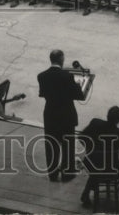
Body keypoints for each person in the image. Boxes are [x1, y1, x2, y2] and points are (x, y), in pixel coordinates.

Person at [79, 105, 119, 207]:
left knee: (97, 169)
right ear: (118, 120)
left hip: (93, 162)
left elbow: (81, 136)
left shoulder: (95, 123)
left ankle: (86, 194)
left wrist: (90, 149)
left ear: (107, 116)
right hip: (113, 166)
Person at [37, 49, 86, 182]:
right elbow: (79, 95)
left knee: (51, 145)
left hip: (50, 114)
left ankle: (52, 174)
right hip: (66, 114)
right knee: (67, 146)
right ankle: (67, 173)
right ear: (61, 60)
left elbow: (42, 94)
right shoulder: (67, 76)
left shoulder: (41, 76)